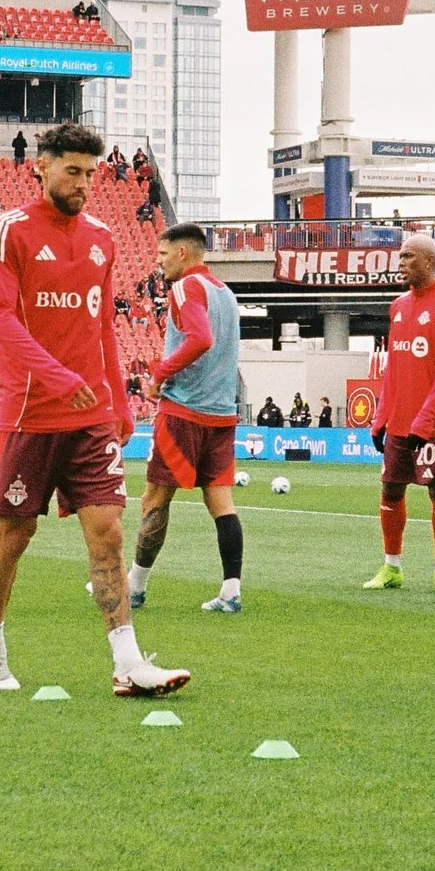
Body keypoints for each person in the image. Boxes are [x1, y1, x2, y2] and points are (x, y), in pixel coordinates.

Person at [0, 123, 187, 698]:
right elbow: (2, 321)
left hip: (89, 414)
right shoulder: (8, 231)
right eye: (73, 170)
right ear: (39, 167)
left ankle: (128, 662)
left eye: (91, 173)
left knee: (109, 533)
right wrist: (58, 378)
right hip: (29, 413)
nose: (84, 183)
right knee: (14, 536)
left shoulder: (101, 237)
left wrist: (117, 401)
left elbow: (102, 328)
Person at [128, 223, 246, 613]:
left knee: (155, 499)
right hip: (222, 414)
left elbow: (200, 339)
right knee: (222, 503)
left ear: (182, 254)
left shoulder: (185, 287)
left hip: (184, 412)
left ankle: (134, 588)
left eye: (162, 255)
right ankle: (231, 590)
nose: (158, 263)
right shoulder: (225, 293)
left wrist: (160, 374)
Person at [361, 233, 435, 595]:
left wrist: (424, 420)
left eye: (408, 256)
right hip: (400, 419)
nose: (401, 262)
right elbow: (394, 368)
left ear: (430, 262)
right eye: (400, 256)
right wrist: (381, 417)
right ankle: (392, 567)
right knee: (390, 488)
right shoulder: (398, 306)